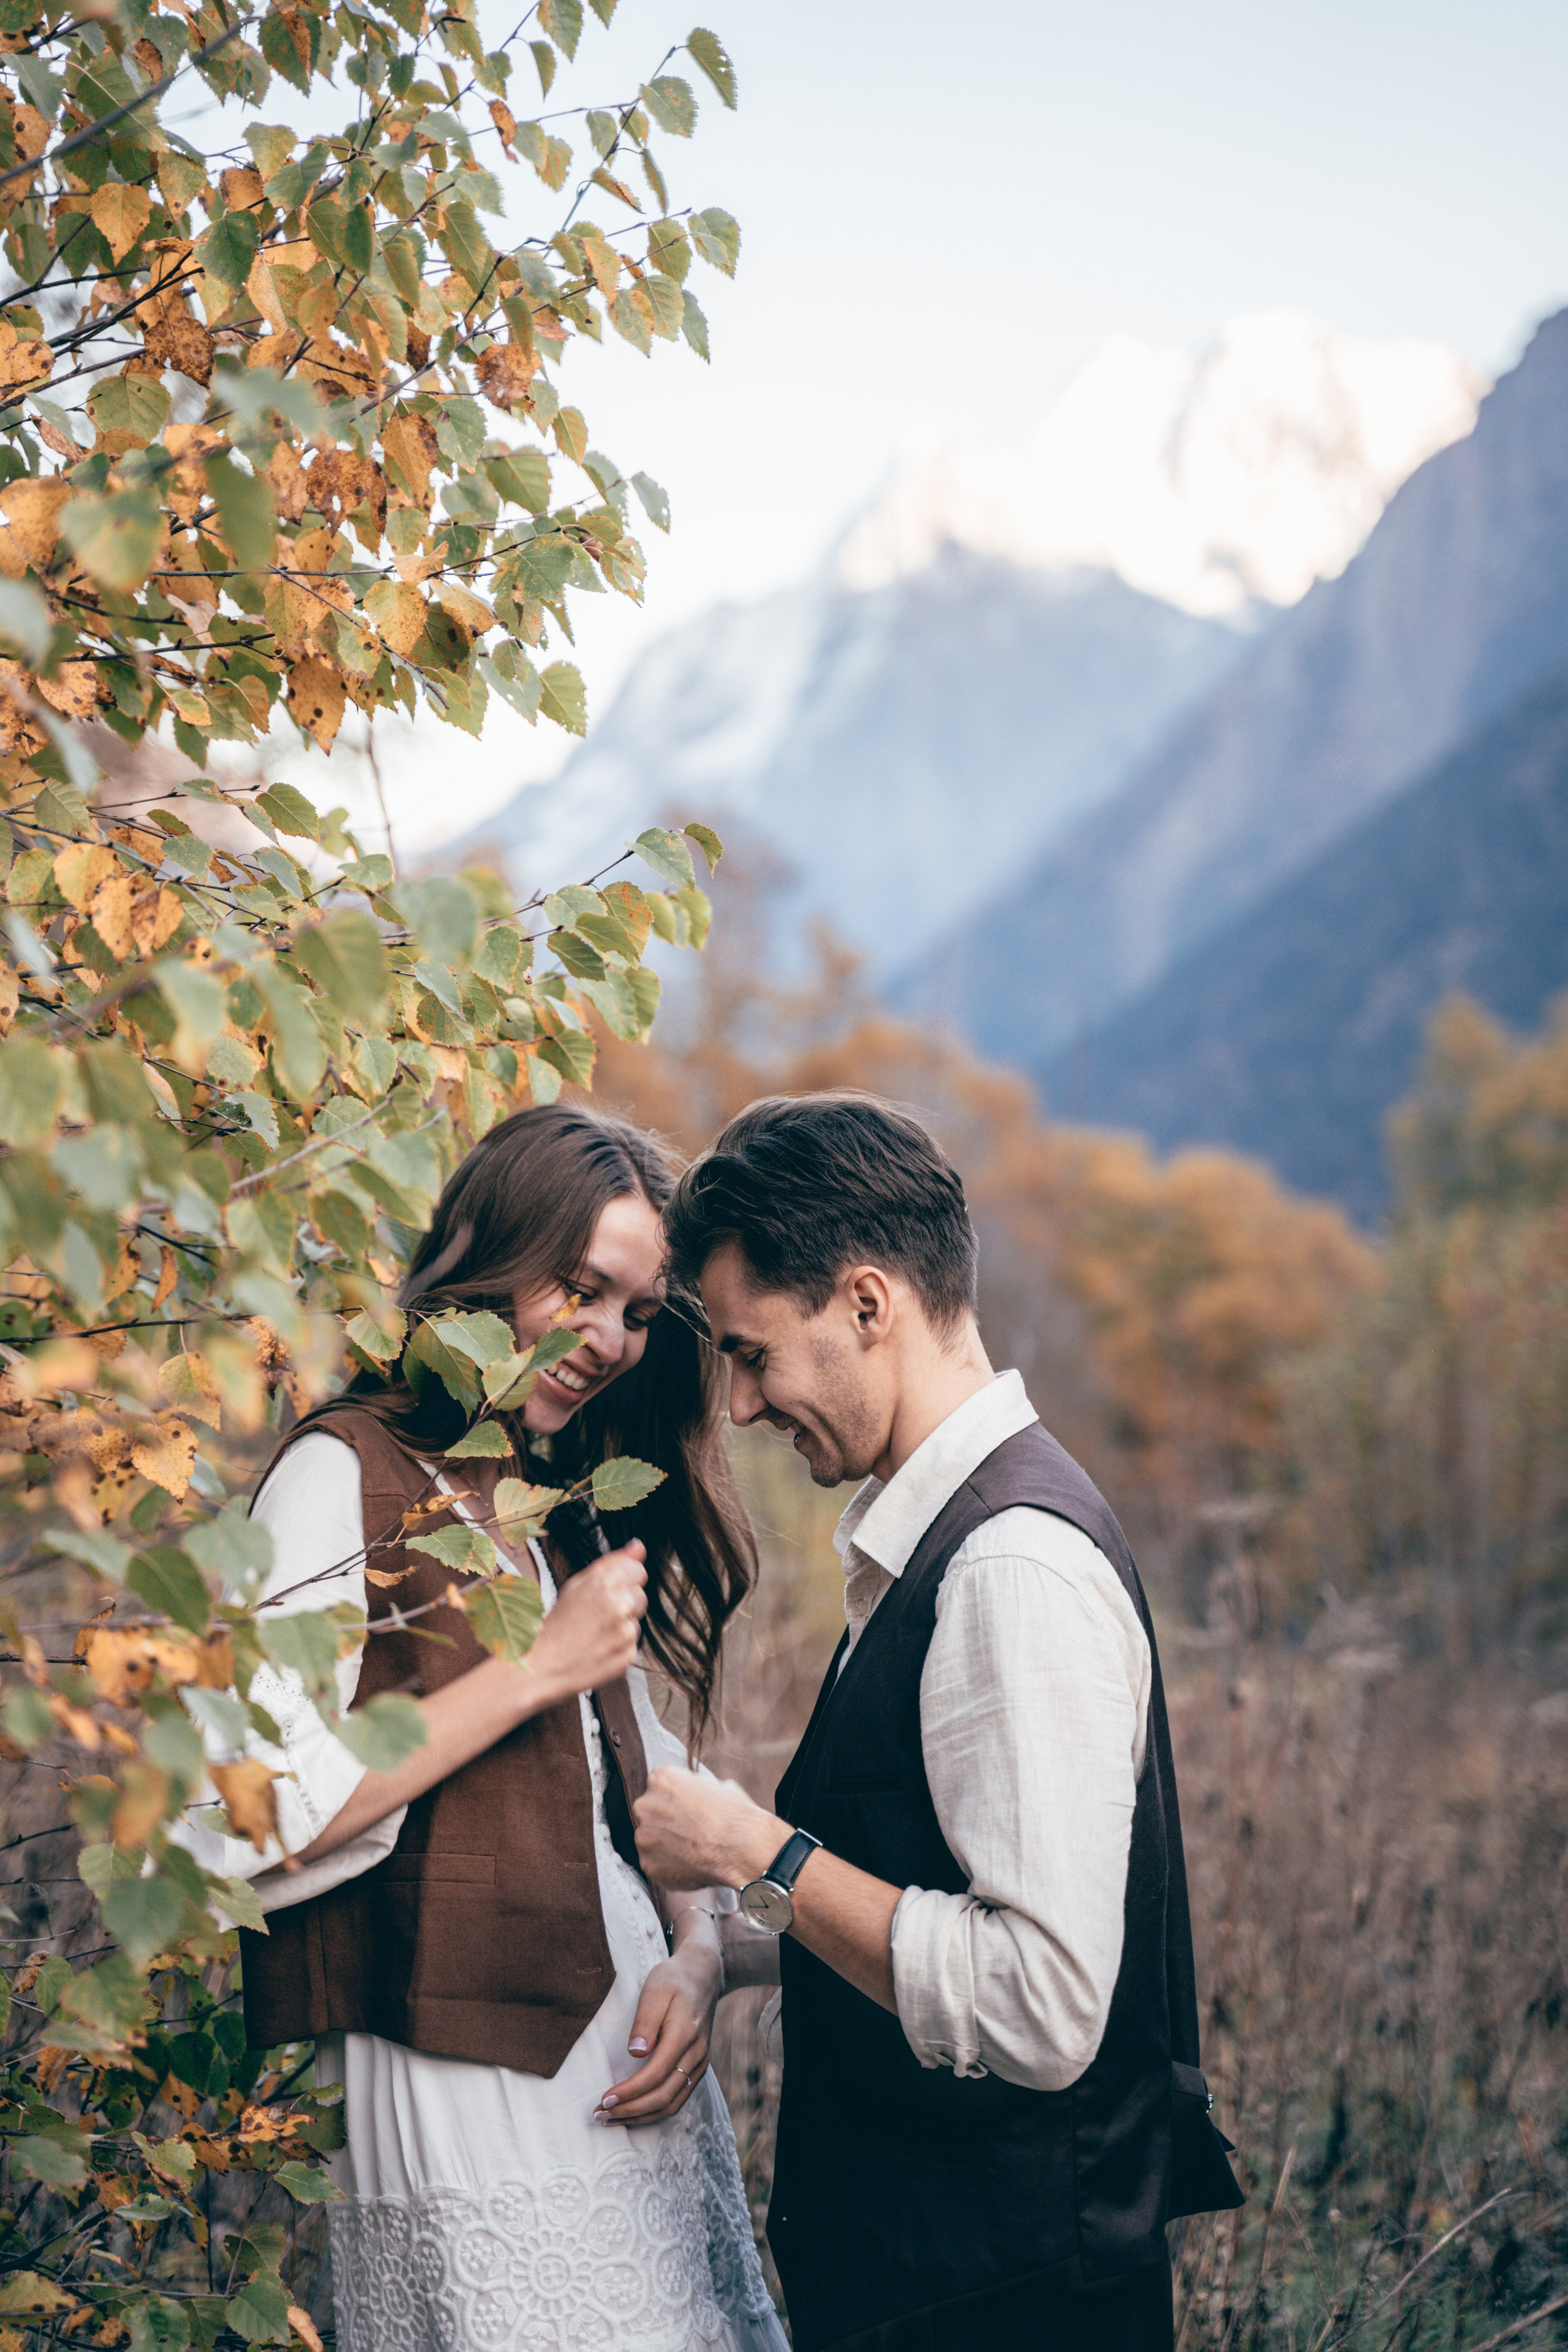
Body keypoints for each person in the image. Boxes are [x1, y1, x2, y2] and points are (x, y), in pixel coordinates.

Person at [634, 1092, 1242, 2352]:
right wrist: (720, 1950)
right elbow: (908, 1888)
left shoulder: (1004, 1569)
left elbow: (1037, 2004)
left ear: (867, 1305)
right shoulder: (933, 1548)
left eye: (749, 1353)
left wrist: (756, 1853)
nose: (739, 1406)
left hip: (1000, 2304)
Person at [180, 1103, 788, 2352]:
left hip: (626, 2074)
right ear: (488, 1252)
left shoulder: (536, 1497)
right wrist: (525, 1673)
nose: (613, 1340)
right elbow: (227, 1807)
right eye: (581, 1288)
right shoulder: (340, 1474)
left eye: (636, 1311)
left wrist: (695, 1950)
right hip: (461, 2086)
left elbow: (640, 1789)